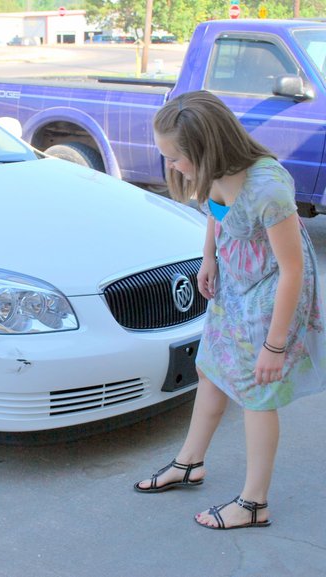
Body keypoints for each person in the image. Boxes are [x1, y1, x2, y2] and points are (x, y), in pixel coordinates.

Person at [133, 90, 326, 529]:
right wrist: (208, 257)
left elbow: (293, 271)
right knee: (212, 367)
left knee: (258, 393)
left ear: (206, 149)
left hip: (269, 291)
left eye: (176, 157)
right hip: (234, 279)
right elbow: (215, 213)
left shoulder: (268, 187)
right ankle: (189, 462)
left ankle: (255, 503)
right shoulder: (212, 169)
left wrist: (275, 347)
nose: (172, 166)